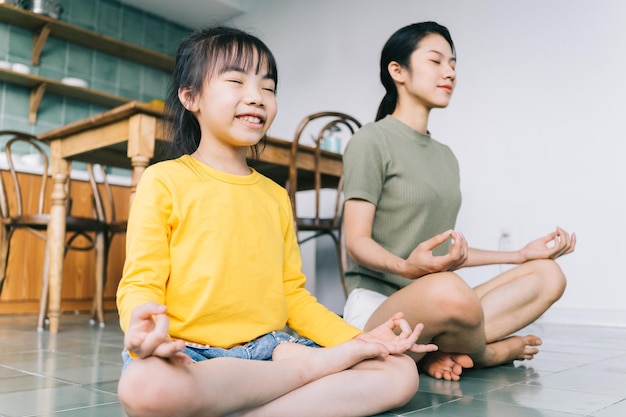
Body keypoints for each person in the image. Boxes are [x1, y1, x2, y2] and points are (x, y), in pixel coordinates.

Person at [116, 26, 438, 417]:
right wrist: (145, 329)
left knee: (400, 372)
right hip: (191, 353)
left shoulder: (273, 195)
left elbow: (294, 298)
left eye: (268, 88)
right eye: (235, 81)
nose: (256, 97)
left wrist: (364, 339)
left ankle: (253, 399)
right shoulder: (164, 179)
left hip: (272, 350)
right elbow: (141, 281)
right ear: (190, 96)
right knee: (142, 386)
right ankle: (302, 375)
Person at [341, 21, 576, 382]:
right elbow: (355, 242)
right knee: (449, 289)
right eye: (436, 61)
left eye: (453, 64)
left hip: (439, 299)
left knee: (548, 274)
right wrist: (407, 269)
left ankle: (437, 352)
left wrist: (519, 256)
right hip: (378, 305)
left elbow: (446, 252)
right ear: (397, 71)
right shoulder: (371, 140)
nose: (449, 71)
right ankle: (485, 354)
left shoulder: (445, 156)